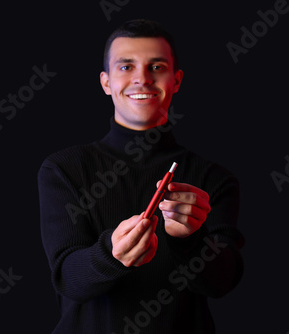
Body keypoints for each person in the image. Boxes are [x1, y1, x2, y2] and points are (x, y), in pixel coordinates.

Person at [38, 19, 245, 334]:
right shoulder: (63, 169)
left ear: (176, 80)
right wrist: (110, 255)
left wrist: (191, 241)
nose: (142, 79)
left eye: (157, 67)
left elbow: (222, 284)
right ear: (106, 82)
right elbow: (68, 280)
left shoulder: (214, 178)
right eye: (126, 67)